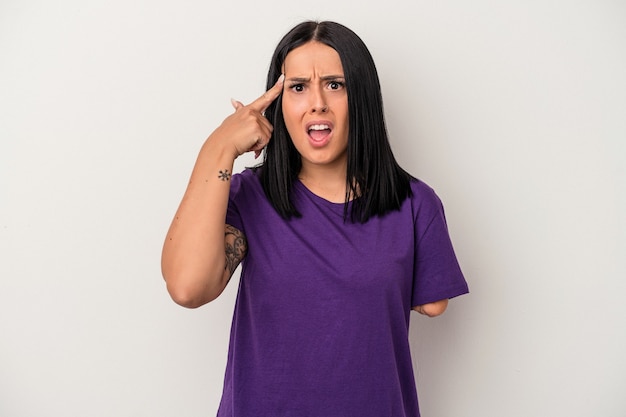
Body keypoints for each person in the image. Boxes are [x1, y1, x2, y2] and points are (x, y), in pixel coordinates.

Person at [162, 20, 469, 417]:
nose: (317, 102)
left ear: (362, 98)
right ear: (279, 103)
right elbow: (187, 288)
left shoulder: (414, 204)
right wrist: (218, 148)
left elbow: (433, 303)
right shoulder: (251, 197)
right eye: (298, 87)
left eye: (335, 84)